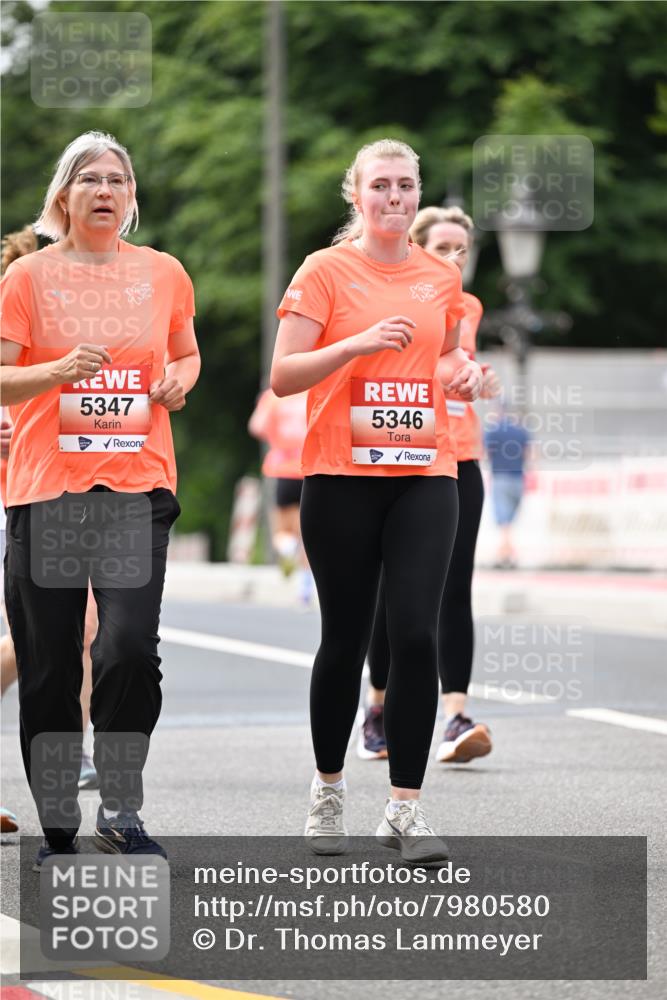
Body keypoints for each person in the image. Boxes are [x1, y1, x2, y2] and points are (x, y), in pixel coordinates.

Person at [271, 139, 482, 863]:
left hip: (426, 470)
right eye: (380, 186)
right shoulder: (324, 271)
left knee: (416, 633)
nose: (394, 198)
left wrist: (463, 377)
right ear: (354, 195)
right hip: (340, 475)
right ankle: (328, 787)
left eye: (405, 186)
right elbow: (283, 375)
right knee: (346, 636)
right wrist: (355, 344)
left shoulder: (438, 275)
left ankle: (404, 807)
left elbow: (447, 353)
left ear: (416, 194)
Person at [0, 131, 200, 868]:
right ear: (65, 195)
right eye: (90, 178)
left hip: (135, 488)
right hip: (46, 490)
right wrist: (55, 372)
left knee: (125, 651)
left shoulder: (163, 274)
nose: (105, 189)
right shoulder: (28, 279)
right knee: (50, 666)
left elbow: (183, 349)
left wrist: (182, 379)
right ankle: (57, 817)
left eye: (118, 178)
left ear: (132, 198)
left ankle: (120, 809)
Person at [360, 206, 501, 766]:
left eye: (462, 249)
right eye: (443, 248)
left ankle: (455, 715)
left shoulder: (467, 305)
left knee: (455, 586)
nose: (454, 259)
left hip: (459, 455)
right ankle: (376, 707)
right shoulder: (391, 297)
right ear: (416, 247)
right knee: (392, 589)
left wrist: (479, 379)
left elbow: (458, 362)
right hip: (403, 452)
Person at [0, 229, 100, 840]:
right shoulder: (15, 303)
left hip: (54, 494)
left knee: (76, 633)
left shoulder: (88, 322)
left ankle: (78, 751)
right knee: (31, 644)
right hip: (16, 498)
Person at [248, 387, 314, 604]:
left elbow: (256, 426)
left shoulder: (274, 396)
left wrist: (276, 437)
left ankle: (287, 547)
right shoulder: (315, 391)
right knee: (307, 533)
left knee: (283, 530)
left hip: (282, 468)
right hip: (311, 467)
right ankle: (305, 588)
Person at [484, 402, 530, 568]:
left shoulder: (493, 431)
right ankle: (506, 554)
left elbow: (486, 452)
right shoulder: (521, 431)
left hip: (500, 478)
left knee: (504, 522)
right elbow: (529, 454)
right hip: (518, 478)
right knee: (509, 520)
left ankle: (506, 556)